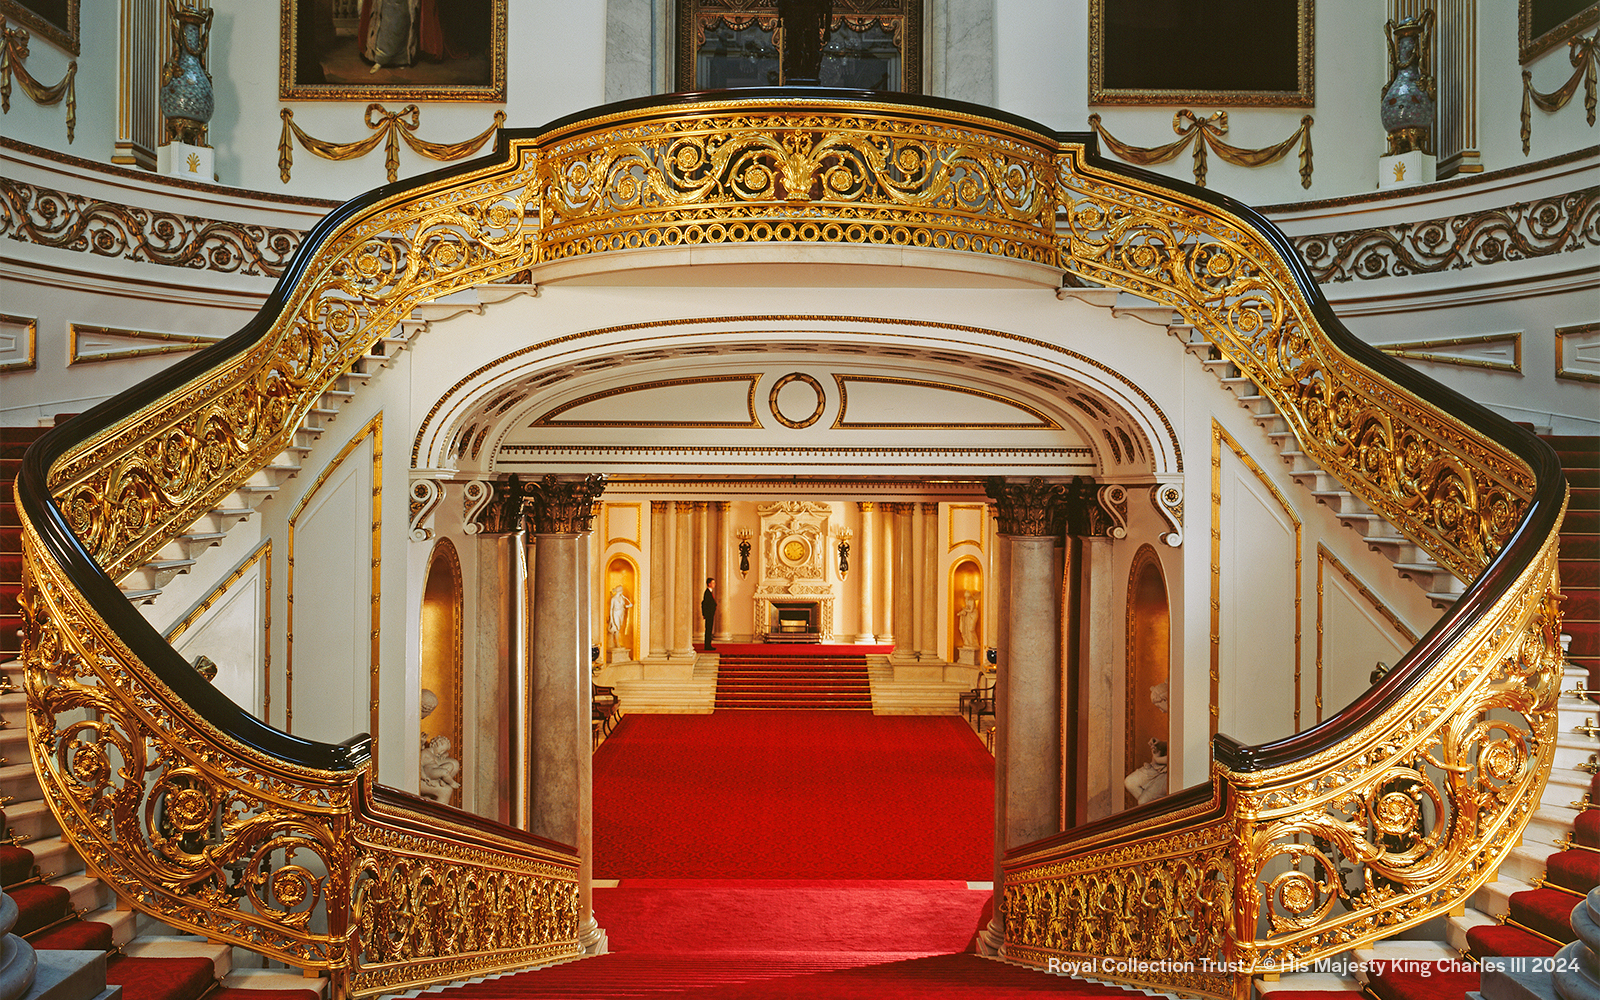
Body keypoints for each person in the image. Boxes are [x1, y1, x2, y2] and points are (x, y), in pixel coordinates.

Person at [701, 578, 717, 652]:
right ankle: (707, 645)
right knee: (708, 630)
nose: (714, 584)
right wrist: (705, 614)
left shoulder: (710, 592)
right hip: (709, 614)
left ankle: (708, 644)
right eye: (713, 583)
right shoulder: (707, 592)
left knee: (709, 629)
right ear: (709, 584)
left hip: (710, 614)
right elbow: (704, 604)